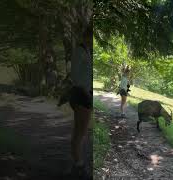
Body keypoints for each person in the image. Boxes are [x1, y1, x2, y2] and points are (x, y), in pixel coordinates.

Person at [68, 26, 92, 179]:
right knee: (80, 132)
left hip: (84, 95)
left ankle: (78, 165)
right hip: (81, 95)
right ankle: (79, 166)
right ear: (87, 36)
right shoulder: (80, 51)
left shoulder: (86, 50)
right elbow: (75, 77)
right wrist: (86, 93)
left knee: (81, 132)